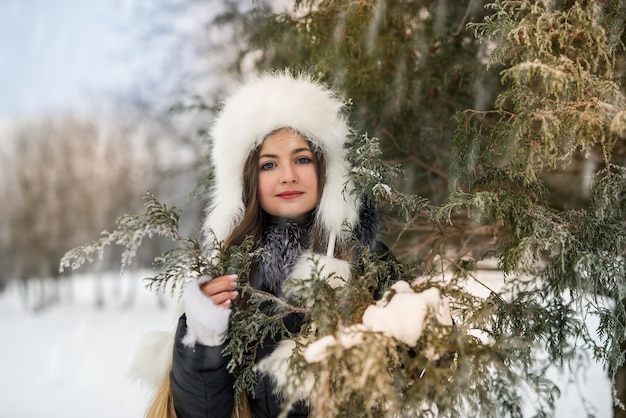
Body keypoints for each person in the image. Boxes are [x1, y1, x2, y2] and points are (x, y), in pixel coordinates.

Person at [145, 71, 400, 418]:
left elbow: (415, 381)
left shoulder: (370, 264)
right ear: (247, 182)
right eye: (269, 164)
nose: (288, 176)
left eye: (302, 158)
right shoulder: (225, 282)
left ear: (326, 168)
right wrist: (204, 339)